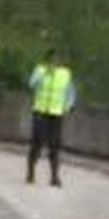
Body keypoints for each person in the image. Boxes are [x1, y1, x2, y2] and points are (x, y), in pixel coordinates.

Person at [26, 49, 76, 187]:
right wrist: (43, 76)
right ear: (47, 60)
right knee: (37, 143)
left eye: (57, 60)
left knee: (55, 145)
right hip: (40, 111)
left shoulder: (65, 74)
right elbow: (31, 84)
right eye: (52, 59)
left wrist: (68, 106)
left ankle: (54, 177)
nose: (54, 62)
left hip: (56, 113)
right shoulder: (40, 70)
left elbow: (70, 92)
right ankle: (30, 172)